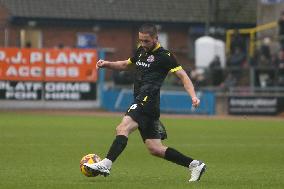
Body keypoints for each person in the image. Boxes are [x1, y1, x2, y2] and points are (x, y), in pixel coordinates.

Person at [84, 24, 206, 182]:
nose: (143, 44)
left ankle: (106, 164)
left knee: (123, 127)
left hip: (147, 100)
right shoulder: (141, 50)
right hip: (144, 102)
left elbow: (183, 76)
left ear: (156, 39)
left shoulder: (165, 56)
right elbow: (125, 65)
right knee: (155, 148)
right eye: (141, 40)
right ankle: (195, 165)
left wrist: (193, 96)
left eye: (146, 41)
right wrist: (107, 64)